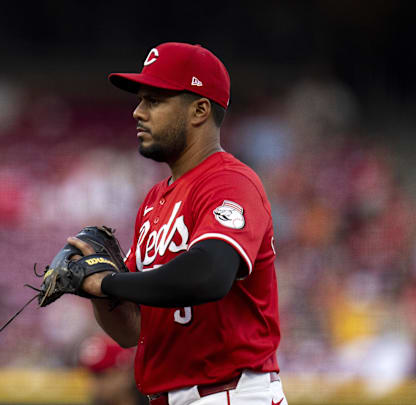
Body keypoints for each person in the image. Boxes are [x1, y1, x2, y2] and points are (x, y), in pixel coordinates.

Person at [66, 43, 287, 405]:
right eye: (140, 100)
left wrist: (110, 281)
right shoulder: (155, 200)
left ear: (199, 109)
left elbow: (210, 274)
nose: (138, 112)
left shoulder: (230, 181)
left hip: (230, 393)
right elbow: (132, 329)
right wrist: (96, 291)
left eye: (154, 100)